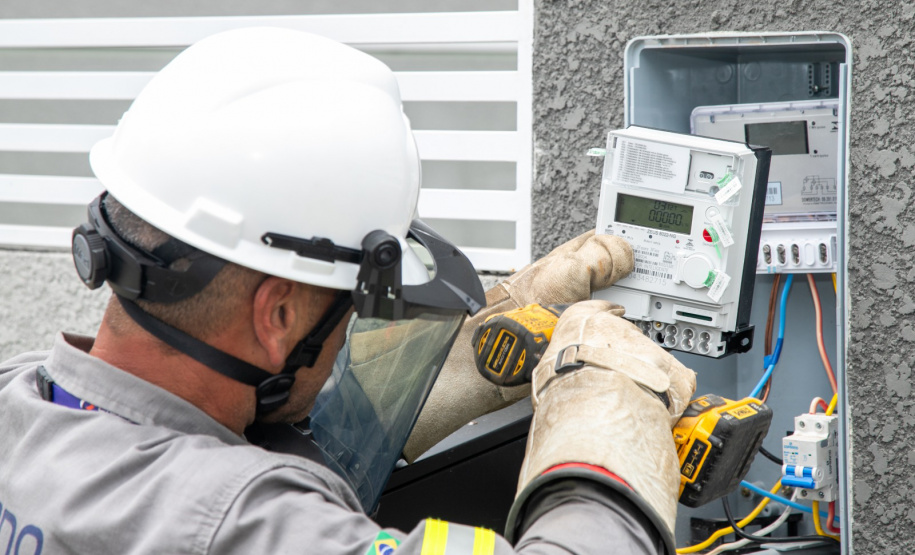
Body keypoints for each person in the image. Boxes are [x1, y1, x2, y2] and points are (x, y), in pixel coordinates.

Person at [0, 27, 695, 555]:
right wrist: (602, 435)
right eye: (352, 309)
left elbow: (222, 438)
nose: (348, 339)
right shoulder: (241, 516)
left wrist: (463, 362)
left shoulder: (21, 398)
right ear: (276, 313)